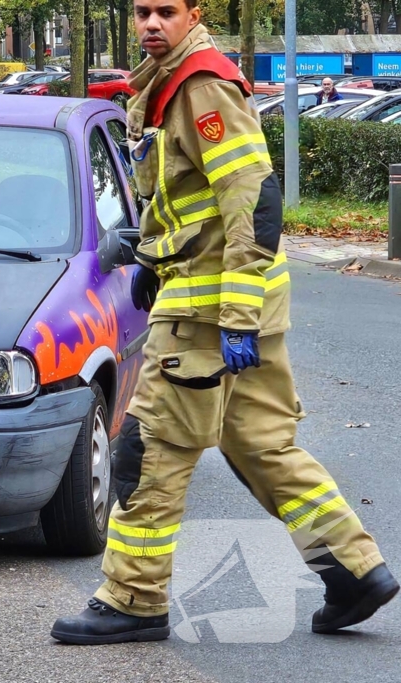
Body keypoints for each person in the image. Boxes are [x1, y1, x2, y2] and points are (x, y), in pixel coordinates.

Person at [50, 0, 397, 645]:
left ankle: (133, 598)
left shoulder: (199, 84)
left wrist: (234, 316)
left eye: (166, 12)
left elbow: (254, 201)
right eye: (142, 12)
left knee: (151, 450)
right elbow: (193, 201)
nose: (152, 24)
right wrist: (151, 255)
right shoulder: (170, 83)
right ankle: (354, 571)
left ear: (195, 14)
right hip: (235, 306)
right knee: (263, 446)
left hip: (208, 315)